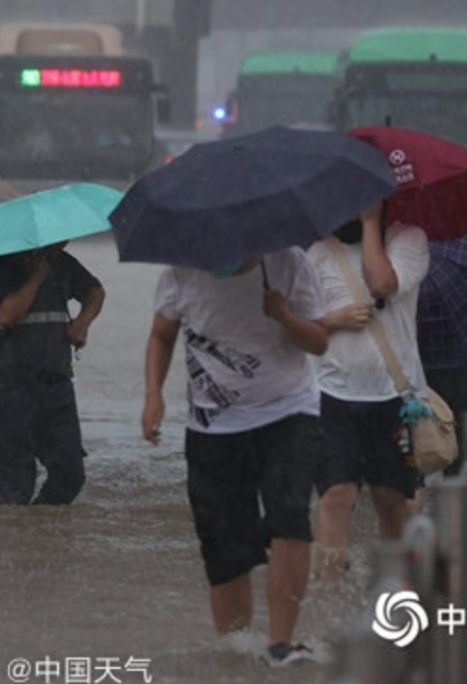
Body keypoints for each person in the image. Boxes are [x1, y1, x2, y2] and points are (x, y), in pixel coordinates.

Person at [141, 252, 327, 667]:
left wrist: (283, 314)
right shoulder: (181, 270)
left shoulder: (289, 263)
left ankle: (281, 644)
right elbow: (161, 335)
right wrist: (153, 395)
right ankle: (236, 651)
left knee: (290, 516)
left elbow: (319, 341)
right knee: (224, 545)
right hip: (213, 426)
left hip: (288, 410)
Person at [306, 202, 429, 578]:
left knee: (393, 500)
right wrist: (333, 320)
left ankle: (399, 589)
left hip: (397, 397)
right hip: (332, 397)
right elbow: (297, 328)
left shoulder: (409, 240)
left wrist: (371, 222)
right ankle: (331, 591)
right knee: (335, 496)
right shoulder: (319, 253)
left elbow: (381, 284)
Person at [0, 241, 104, 505]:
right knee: (14, 488)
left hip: (57, 382)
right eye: (60, 240)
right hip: (13, 384)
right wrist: (38, 274)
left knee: (70, 474)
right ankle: (16, 537)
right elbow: (6, 315)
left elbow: (95, 291)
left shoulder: (63, 263)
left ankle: (43, 534)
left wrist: (82, 324)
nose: (64, 243)